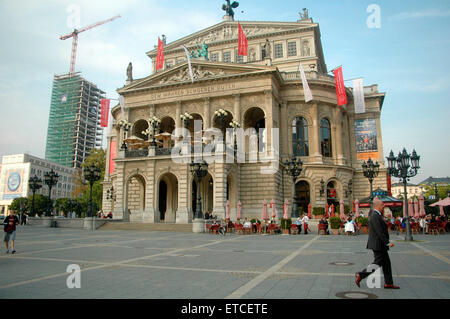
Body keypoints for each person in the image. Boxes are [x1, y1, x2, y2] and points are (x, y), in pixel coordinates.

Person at [355, 197, 399, 289]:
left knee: (386, 263)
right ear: (378, 205)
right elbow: (379, 231)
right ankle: (361, 274)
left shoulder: (376, 215)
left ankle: (388, 283)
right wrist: (387, 242)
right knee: (377, 263)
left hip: (379, 244)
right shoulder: (375, 216)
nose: (384, 206)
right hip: (378, 244)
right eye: (383, 204)